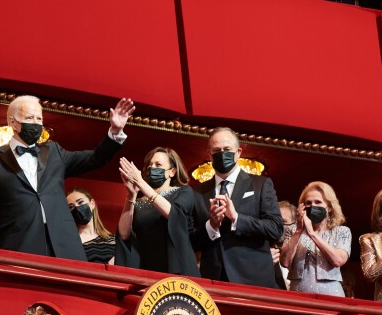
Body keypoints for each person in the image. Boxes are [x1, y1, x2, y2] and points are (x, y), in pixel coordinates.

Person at [0, 94, 135, 260]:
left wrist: (115, 132)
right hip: (20, 250)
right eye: (29, 117)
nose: (36, 123)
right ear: (12, 122)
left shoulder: (54, 151)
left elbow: (95, 158)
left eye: (39, 118)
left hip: (66, 248)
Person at [190, 127, 283, 288]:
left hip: (254, 279)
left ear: (238, 152)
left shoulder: (260, 184)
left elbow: (275, 228)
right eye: (217, 150)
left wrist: (237, 218)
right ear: (209, 155)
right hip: (213, 280)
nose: (222, 154)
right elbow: (190, 241)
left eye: (227, 149)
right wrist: (211, 226)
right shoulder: (197, 192)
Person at [115, 147, 199, 277]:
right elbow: (124, 234)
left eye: (158, 165)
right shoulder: (140, 201)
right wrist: (131, 194)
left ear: (172, 171)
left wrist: (142, 184)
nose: (151, 168)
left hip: (176, 269)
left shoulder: (183, 192)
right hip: (146, 269)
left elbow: (174, 214)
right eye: (149, 165)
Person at [280, 181, 351, 297]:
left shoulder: (341, 231)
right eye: (308, 203)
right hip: (298, 295)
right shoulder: (293, 230)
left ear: (329, 207)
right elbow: (285, 262)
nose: (313, 206)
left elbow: (338, 260)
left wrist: (312, 234)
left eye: (318, 202)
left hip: (331, 295)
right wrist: (298, 231)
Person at [66, 188, 115, 264]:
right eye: (71, 207)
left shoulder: (113, 240)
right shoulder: (71, 243)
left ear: (92, 204)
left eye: (80, 202)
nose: (77, 208)